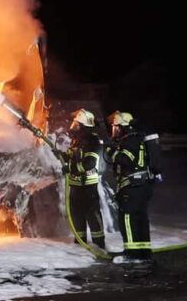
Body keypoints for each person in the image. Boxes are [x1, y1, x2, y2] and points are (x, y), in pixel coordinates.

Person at [105, 110, 153, 263]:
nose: (114, 130)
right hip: (142, 186)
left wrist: (111, 150)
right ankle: (144, 252)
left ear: (122, 127)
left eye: (116, 127)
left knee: (127, 219)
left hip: (132, 187)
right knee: (141, 219)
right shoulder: (138, 139)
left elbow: (124, 160)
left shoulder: (129, 141)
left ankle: (131, 254)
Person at [63, 109, 105, 249]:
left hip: (88, 185)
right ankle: (80, 244)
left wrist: (71, 169)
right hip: (75, 186)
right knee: (77, 216)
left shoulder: (92, 140)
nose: (73, 125)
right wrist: (62, 156)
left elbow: (90, 164)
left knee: (92, 215)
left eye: (76, 123)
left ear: (82, 125)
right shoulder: (76, 140)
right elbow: (71, 158)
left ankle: (99, 244)